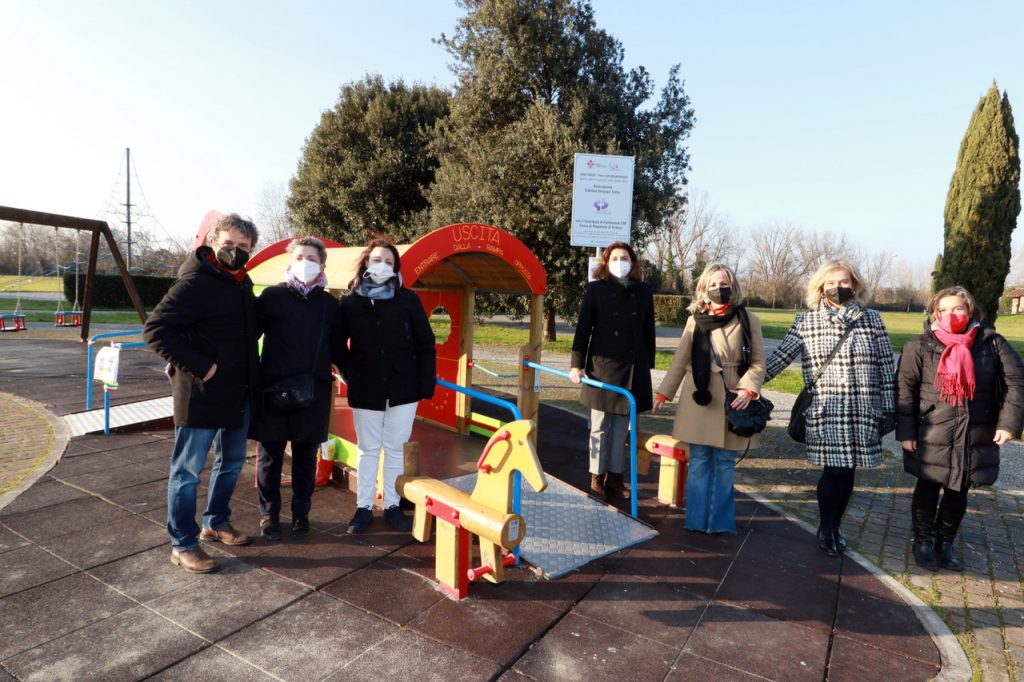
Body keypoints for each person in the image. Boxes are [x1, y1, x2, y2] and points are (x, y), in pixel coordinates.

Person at [144, 213, 260, 573]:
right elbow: (157, 329)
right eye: (229, 244)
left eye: (244, 246)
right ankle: (183, 542)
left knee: (231, 463)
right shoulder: (195, 282)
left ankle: (216, 521)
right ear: (212, 243)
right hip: (202, 391)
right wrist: (203, 366)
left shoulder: (242, 283)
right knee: (188, 471)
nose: (236, 252)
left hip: (236, 391)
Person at [764, 259, 896, 557]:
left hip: (864, 409)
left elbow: (887, 367)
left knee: (848, 472)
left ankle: (836, 525)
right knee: (834, 470)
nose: (838, 287)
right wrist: (744, 383)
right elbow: (779, 359)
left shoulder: (872, 319)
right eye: (832, 282)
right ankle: (826, 527)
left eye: (845, 281)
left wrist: (890, 408)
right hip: (828, 410)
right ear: (821, 287)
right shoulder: (806, 322)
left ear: (855, 285)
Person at [896, 286, 1024, 571]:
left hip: (975, 432)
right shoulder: (919, 346)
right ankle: (923, 539)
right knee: (927, 485)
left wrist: (1008, 424)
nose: (950, 315)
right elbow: (905, 391)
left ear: (970, 311)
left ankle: (945, 541)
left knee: (959, 490)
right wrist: (906, 433)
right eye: (942, 310)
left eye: (957, 308)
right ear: (934, 314)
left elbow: (1017, 383)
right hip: (933, 431)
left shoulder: (992, 344)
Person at [652, 264, 765, 533]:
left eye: (723, 284)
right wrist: (663, 393)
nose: (718, 289)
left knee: (725, 463)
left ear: (733, 286)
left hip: (733, 397)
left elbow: (759, 362)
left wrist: (748, 389)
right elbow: (680, 361)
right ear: (703, 289)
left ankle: (720, 524)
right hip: (699, 397)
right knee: (700, 460)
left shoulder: (749, 320)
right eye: (712, 285)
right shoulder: (694, 320)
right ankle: (696, 521)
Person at [336, 238, 436, 534]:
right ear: (366, 263)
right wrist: (349, 373)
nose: (382, 266)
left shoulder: (408, 300)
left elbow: (425, 342)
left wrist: (424, 383)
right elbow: (337, 344)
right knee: (368, 449)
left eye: (389, 262)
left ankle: (392, 504)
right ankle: (363, 507)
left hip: (403, 388)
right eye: (377, 260)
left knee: (394, 449)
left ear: (396, 268)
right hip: (366, 387)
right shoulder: (350, 302)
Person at [252, 237, 342, 540]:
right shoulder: (272, 297)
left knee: (305, 457)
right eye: (300, 257)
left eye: (312, 258)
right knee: (269, 456)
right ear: (291, 262)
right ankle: (269, 515)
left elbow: (339, 347)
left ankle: (301, 514)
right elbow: (246, 334)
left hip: (312, 391)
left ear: (322, 265)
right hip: (273, 389)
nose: (306, 262)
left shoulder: (330, 304)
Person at [570, 241, 655, 499]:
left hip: (632, 368)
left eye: (625, 258)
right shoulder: (596, 290)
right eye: (615, 258)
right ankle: (597, 476)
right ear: (606, 262)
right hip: (602, 368)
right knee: (600, 425)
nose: (621, 262)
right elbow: (583, 329)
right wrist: (576, 364)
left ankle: (615, 477)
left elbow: (648, 330)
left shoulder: (643, 291)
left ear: (633, 263)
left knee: (621, 428)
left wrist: (646, 366)